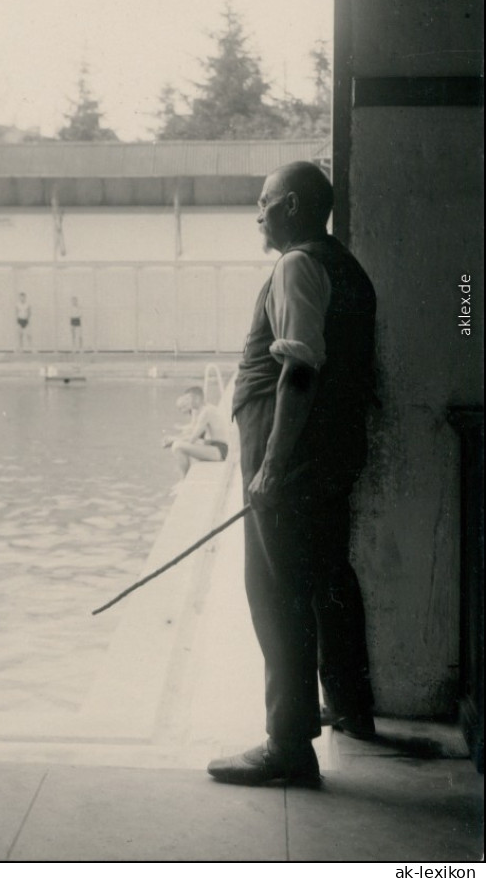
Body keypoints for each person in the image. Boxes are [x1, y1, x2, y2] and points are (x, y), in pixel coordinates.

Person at [207, 161, 377, 788]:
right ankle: (354, 709)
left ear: (293, 207)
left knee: (276, 592)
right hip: (333, 454)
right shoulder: (350, 268)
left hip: (293, 457)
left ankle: (287, 746)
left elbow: (300, 371)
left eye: (264, 202)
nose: (258, 214)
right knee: (329, 577)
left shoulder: (296, 265)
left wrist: (273, 464)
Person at [163, 386, 230, 479]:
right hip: (214, 447)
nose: (186, 401)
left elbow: (192, 439)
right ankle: (185, 477)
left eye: (188, 398)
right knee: (179, 443)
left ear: (197, 399)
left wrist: (173, 440)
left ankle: (184, 479)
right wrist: (174, 437)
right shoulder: (204, 409)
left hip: (219, 451)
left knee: (177, 446)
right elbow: (193, 432)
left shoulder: (206, 412)